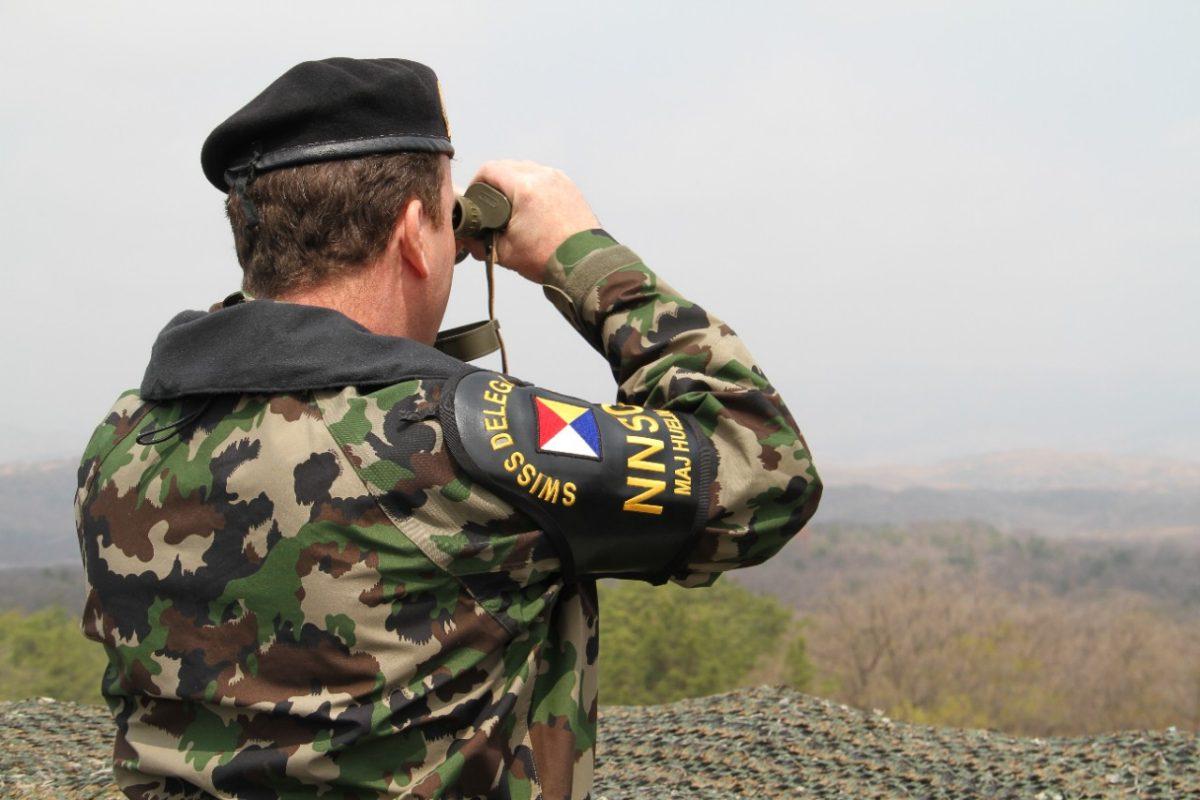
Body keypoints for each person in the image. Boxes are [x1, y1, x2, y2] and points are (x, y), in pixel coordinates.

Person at [74, 57, 822, 800]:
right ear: (410, 232)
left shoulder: (126, 438)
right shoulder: (458, 443)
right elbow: (764, 468)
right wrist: (580, 253)